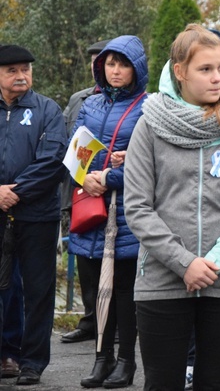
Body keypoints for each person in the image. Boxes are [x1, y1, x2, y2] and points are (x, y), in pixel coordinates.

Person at [124, 24, 220, 391]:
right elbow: (138, 207)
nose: (218, 77)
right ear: (180, 72)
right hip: (161, 280)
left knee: (215, 384)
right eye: (206, 69)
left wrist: (213, 262)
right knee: (162, 384)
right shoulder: (149, 126)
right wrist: (185, 263)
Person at [68, 35, 148, 388]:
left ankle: (126, 362)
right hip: (92, 208)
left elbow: (152, 162)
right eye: (110, 64)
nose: (115, 71)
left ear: (137, 68)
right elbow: (75, 155)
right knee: (97, 291)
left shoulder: (148, 106)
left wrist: (113, 176)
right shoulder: (91, 105)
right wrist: (87, 178)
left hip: (128, 212)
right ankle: (102, 359)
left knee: (125, 293)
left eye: (123, 64)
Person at [0, 44, 67, 385]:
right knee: (3, 287)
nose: (20, 75)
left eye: (25, 68)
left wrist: (15, 192)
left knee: (38, 290)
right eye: (11, 70)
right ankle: (5, 354)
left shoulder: (48, 110)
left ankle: (32, 362)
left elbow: (53, 159)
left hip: (38, 214)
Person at [61, 38, 111, 345]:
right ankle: (91, 319)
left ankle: (115, 323)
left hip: (115, 189)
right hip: (82, 191)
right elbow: (71, 145)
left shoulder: (138, 102)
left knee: (117, 262)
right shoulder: (79, 100)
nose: (98, 66)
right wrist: (81, 179)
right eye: (95, 61)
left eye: (103, 60)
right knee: (86, 260)